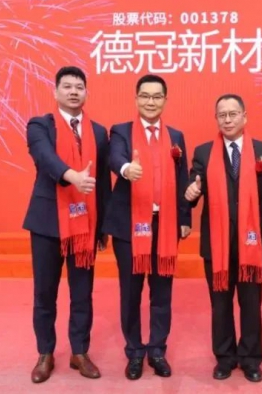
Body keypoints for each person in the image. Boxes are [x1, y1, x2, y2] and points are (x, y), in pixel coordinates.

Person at [185, 94, 262, 383]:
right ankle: (225, 357)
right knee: (220, 304)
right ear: (216, 119)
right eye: (222, 115)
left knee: (251, 304)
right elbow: (193, 187)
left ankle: (251, 359)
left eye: (233, 114)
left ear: (244, 116)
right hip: (217, 244)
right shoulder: (204, 152)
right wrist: (191, 193)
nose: (227, 120)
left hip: (253, 242)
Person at [22, 66, 111, 383]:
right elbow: (44, 157)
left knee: (82, 293)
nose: (74, 91)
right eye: (67, 86)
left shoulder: (98, 132)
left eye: (79, 87)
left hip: (85, 224)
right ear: (56, 91)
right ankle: (45, 353)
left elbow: (102, 181)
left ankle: (79, 352)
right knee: (45, 293)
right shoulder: (40, 125)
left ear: (87, 93)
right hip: (48, 223)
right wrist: (73, 176)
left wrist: (103, 227)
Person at [102, 74, 192, 380]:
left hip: (164, 225)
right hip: (129, 226)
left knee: (162, 292)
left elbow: (183, 178)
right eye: (145, 96)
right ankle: (134, 351)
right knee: (130, 292)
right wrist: (127, 168)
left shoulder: (176, 136)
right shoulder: (122, 131)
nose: (150, 102)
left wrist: (185, 218)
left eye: (156, 96)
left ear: (165, 100)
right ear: (136, 98)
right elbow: (115, 158)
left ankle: (157, 350)